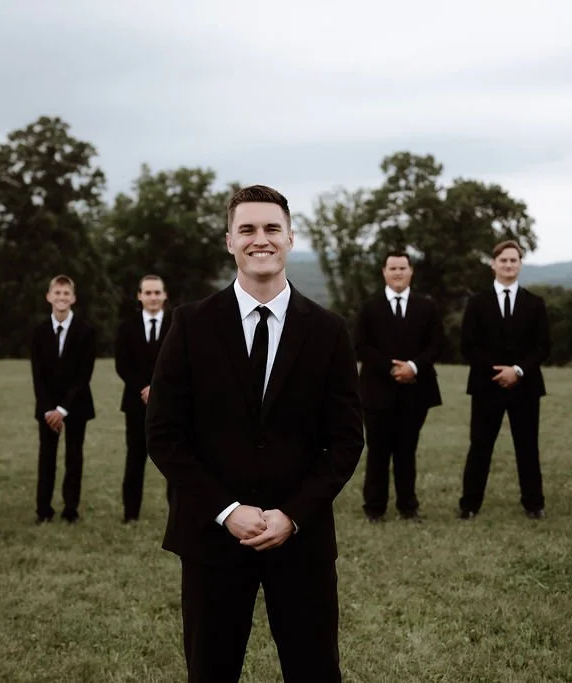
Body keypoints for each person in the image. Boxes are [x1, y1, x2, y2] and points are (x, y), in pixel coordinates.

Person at [146, 185, 364, 682]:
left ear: (290, 237)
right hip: (211, 536)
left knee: (314, 672)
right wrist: (226, 510)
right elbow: (163, 434)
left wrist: (292, 514)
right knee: (211, 673)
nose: (259, 239)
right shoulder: (190, 324)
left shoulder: (329, 330)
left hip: (301, 538)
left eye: (271, 228)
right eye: (247, 229)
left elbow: (346, 440)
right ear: (229, 240)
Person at [458, 240, 551, 520]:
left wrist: (518, 371)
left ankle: (533, 504)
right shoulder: (477, 303)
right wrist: (497, 371)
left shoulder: (535, 303)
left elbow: (543, 346)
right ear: (493, 264)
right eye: (503, 260)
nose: (508, 265)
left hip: (525, 386)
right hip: (487, 386)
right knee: (480, 446)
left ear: (520, 265)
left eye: (514, 260)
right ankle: (470, 505)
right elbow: (468, 345)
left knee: (527, 446)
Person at [355, 252, 445, 523]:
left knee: (407, 451)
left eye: (402, 268)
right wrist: (392, 368)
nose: (397, 272)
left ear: (411, 271)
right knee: (378, 452)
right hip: (377, 392)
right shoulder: (369, 307)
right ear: (383, 271)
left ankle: (408, 506)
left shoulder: (427, 307)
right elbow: (361, 345)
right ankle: (374, 508)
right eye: (392, 268)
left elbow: (437, 344)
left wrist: (413, 367)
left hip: (415, 391)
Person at [30, 275, 97, 524]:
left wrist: (63, 408)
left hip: (76, 406)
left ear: (73, 298)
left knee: (73, 457)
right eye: (57, 293)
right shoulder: (38, 332)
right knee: (46, 457)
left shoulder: (86, 331)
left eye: (66, 293)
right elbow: (37, 375)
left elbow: (83, 375)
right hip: (47, 409)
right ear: (49, 297)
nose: (61, 298)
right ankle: (43, 510)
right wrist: (49, 409)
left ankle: (71, 509)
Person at [115, 274, 170, 523]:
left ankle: (177, 514)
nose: (153, 298)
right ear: (139, 296)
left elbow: (181, 363)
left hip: (171, 405)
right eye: (148, 293)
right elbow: (122, 365)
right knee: (134, 458)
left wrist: (158, 390)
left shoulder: (177, 324)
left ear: (165, 295)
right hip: (136, 403)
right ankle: (131, 514)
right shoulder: (127, 327)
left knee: (174, 461)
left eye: (157, 292)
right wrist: (143, 388)